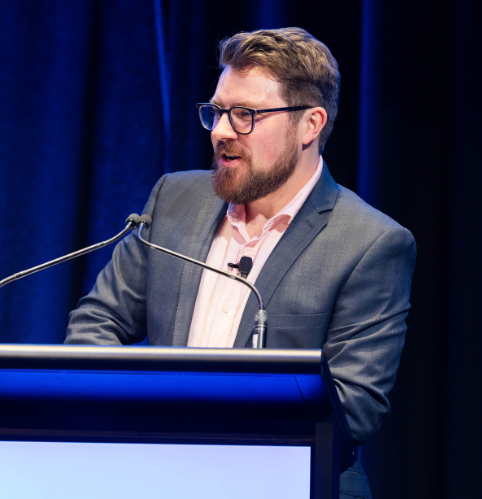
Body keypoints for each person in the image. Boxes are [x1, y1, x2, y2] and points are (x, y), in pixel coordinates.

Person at [66, 27, 415, 499]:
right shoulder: (174, 199)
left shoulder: (371, 243)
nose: (223, 132)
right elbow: (98, 322)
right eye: (217, 112)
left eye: (246, 115)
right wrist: (140, 424)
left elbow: (353, 406)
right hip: (154, 475)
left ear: (310, 124)